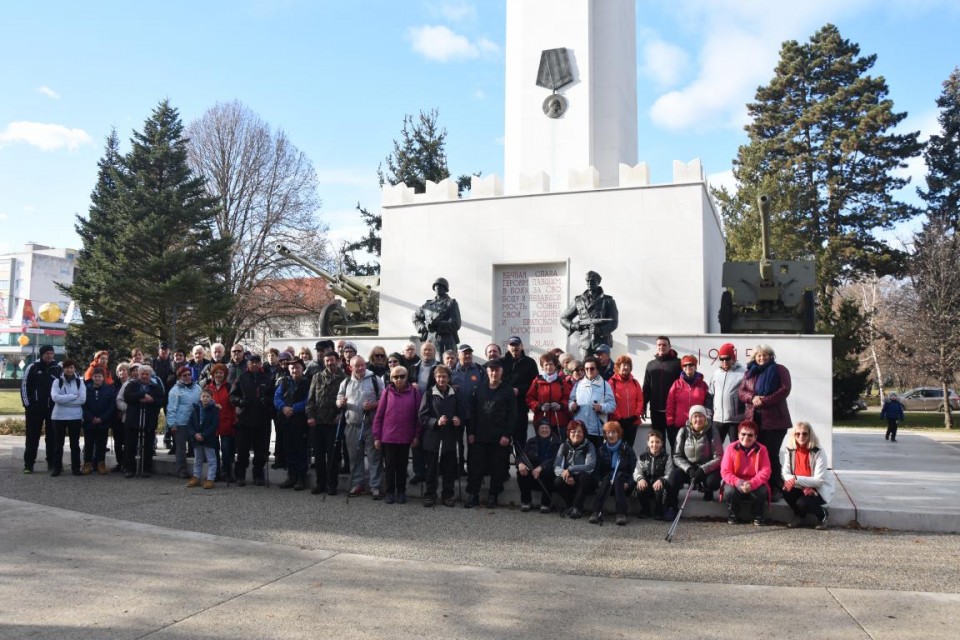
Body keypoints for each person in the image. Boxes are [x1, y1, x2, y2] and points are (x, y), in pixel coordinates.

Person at [739, 344, 792, 501]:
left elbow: (784, 389)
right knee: (758, 455)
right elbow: (741, 392)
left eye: (765, 355)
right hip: (754, 420)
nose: (761, 358)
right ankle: (761, 485)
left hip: (775, 421)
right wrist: (752, 398)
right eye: (758, 355)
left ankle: (776, 487)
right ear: (754, 357)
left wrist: (764, 400)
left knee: (771, 454)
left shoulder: (780, 370)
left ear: (771, 356)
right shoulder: (750, 373)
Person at [465, 358, 515, 509]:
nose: (494, 373)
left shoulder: (508, 391)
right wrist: (471, 432)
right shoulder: (479, 389)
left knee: (497, 467)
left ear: (501, 372)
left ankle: (493, 495)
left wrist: (507, 434)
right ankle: (473, 495)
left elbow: (512, 415)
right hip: (480, 435)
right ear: (487, 372)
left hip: (499, 438)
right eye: (491, 370)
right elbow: (473, 412)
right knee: (476, 467)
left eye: (496, 370)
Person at [373, 364, 423, 504]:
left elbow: (418, 416)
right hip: (389, 437)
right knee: (389, 466)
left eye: (402, 376)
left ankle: (401, 492)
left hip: (406, 437)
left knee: (402, 466)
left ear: (407, 377)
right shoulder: (386, 392)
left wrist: (416, 435)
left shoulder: (414, 392)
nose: (399, 379)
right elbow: (379, 416)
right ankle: (389, 492)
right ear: (391, 378)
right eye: (395, 377)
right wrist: (377, 436)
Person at [337, 355, 383, 498]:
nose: (361, 368)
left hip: (370, 425)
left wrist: (373, 405)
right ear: (351, 367)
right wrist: (340, 403)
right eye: (357, 366)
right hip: (351, 426)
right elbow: (338, 399)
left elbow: (384, 399)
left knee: (374, 457)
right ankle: (358, 484)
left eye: (363, 365)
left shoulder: (375, 380)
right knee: (354, 457)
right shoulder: (345, 382)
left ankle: (375, 486)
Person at [417, 365, 460, 507]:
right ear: (435, 378)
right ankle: (430, 494)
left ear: (449, 378)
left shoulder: (455, 393)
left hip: (449, 437)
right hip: (433, 438)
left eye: (444, 376)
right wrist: (436, 422)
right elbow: (422, 416)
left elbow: (461, 412)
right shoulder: (429, 394)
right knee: (431, 469)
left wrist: (458, 419)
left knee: (449, 469)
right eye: (439, 376)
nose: (442, 379)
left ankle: (448, 495)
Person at [230, 354, 275, 487]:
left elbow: (272, 397)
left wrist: (267, 401)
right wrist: (240, 401)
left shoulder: (267, 378)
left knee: (260, 451)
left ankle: (258, 475)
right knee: (243, 450)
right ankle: (240, 475)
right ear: (248, 364)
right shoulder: (241, 378)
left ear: (261, 363)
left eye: (257, 362)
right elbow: (232, 396)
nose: (254, 364)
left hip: (261, 420)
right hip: (244, 419)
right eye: (252, 362)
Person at [305, 351, 345, 495]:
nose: (329, 363)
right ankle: (320, 483)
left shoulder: (344, 379)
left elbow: (348, 401)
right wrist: (310, 416)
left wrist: (342, 415)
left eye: (332, 360)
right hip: (318, 422)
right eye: (327, 361)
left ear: (337, 360)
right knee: (319, 457)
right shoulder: (317, 377)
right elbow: (310, 399)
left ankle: (332, 485)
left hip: (334, 423)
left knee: (333, 456)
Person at [782, 421, 833, 529]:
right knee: (785, 490)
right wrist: (794, 481)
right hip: (799, 485)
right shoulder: (790, 450)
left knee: (803, 502)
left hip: (817, 489)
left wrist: (796, 479)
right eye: (798, 434)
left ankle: (823, 516)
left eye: (805, 433)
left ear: (810, 435)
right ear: (794, 435)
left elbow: (819, 480)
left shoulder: (818, 452)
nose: (801, 436)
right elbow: (785, 472)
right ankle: (800, 516)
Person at [720, 420, 772, 526]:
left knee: (762, 491)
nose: (746, 437)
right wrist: (739, 482)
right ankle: (733, 514)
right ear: (738, 434)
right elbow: (725, 471)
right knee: (730, 491)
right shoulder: (730, 448)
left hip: (754, 482)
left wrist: (752, 483)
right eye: (743, 434)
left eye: (750, 435)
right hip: (735, 481)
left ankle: (758, 515)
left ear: (755, 437)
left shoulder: (762, 449)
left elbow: (766, 471)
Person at [559, 270, 619, 360]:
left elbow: (614, 322)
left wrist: (600, 330)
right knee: (587, 368)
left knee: (603, 368)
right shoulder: (578, 300)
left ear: (598, 282)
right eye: (587, 281)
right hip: (585, 343)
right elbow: (564, 318)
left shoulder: (608, 300)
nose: (589, 283)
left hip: (602, 342)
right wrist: (573, 326)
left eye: (592, 280)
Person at [21, 345, 62, 474]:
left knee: (52, 437)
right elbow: (24, 387)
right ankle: (28, 464)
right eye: (47, 353)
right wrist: (28, 405)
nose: (50, 356)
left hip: (52, 408)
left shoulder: (58, 368)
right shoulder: (33, 367)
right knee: (32, 437)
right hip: (35, 408)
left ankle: (52, 463)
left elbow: (63, 385)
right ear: (42, 354)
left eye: (51, 353)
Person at [669, 405, 723, 502]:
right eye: (695, 416)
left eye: (701, 416)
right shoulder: (683, 431)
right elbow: (677, 456)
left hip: (706, 468)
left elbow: (719, 456)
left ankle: (708, 490)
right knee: (673, 478)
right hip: (689, 468)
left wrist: (703, 469)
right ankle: (671, 504)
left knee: (713, 482)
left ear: (705, 418)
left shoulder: (712, 431)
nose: (698, 419)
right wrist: (688, 469)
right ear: (690, 419)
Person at [589, 421, 637, 526]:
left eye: (614, 432)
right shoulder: (601, 449)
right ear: (605, 434)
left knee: (618, 478)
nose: (611, 435)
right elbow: (596, 469)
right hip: (606, 481)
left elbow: (634, 470)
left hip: (622, 481)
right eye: (608, 432)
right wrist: (598, 481)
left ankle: (621, 514)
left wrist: (629, 483)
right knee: (607, 478)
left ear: (618, 433)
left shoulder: (627, 450)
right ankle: (596, 512)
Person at [274, 359, 312, 491]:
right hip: (285, 420)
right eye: (292, 368)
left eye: (297, 367)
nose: (294, 370)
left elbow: (308, 400)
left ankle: (301, 478)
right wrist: (284, 408)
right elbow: (277, 398)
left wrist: (293, 408)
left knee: (301, 449)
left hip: (300, 421)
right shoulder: (283, 381)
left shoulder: (308, 383)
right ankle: (291, 476)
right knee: (288, 448)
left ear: (302, 368)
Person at [122, 364, 165, 478]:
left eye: (147, 374)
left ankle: (146, 468)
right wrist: (142, 395)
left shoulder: (156, 387)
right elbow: (127, 396)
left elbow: (161, 400)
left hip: (149, 420)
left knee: (148, 446)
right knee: (130, 445)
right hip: (133, 419)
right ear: (138, 375)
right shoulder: (132, 385)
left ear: (150, 375)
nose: (145, 376)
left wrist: (151, 399)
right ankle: (129, 469)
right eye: (142, 374)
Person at [568, 355, 616, 450]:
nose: (589, 371)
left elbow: (612, 405)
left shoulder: (605, 385)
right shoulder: (578, 385)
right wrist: (571, 406)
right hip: (580, 430)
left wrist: (601, 407)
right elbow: (570, 401)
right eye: (586, 369)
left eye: (592, 368)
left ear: (597, 370)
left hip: (596, 430)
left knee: (596, 459)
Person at [452, 344, 485, 476]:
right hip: (457, 413)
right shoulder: (451, 370)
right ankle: (459, 468)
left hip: (473, 413)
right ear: (458, 355)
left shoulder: (479, 370)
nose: (467, 356)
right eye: (464, 353)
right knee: (458, 442)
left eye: (469, 353)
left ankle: (473, 469)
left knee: (473, 442)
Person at [665, 355, 710, 453]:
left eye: (690, 364)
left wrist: (707, 422)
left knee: (695, 453)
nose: (687, 367)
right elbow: (670, 405)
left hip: (697, 427)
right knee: (677, 453)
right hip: (679, 426)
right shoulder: (676, 384)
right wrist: (670, 423)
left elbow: (708, 405)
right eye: (685, 365)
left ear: (695, 366)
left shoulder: (703, 385)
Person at [553, 420, 596, 519]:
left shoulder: (589, 446)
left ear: (584, 433)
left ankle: (577, 507)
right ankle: (570, 506)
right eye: (573, 431)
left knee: (584, 477)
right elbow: (556, 466)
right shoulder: (563, 446)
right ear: (569, 433)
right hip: (568, 477)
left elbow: (590, 466)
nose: (576, 434)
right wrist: (565, 473)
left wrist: (570, 470)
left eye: (579, 431)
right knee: (558, 481)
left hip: (584, 479)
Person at [50, 359, 87, 476]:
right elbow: (55, 398)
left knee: (74, 444)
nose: (69, 370)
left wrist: (64, 399)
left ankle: (76, 468)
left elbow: (82, 400)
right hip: (59, 417)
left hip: (75, 417)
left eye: (71, 367)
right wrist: (72, 396)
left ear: (74, 369)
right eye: (67, 367)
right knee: (57, 444)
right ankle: (57, 468)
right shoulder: (57, 382)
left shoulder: (80, 383)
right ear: (63, 369)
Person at [642, 336, 681, 445]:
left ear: (670, 347)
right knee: (658, 442)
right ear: (656, 347)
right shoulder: (651, 365)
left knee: (675, 443)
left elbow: (682, 387)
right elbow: (646, 387)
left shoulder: (678, 363)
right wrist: (643, 406)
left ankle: (675, 463)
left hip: (672, 411)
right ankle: (661, 462)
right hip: (656, 411)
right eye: (659, 345)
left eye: (664, 345)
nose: (661, 347)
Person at [633, 430, 678, 520]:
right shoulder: (642, 457)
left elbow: (669, 472)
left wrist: (662, 480)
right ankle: (645, 510)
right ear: (648, 443)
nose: (654, 445)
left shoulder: (667, 457)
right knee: (640, 487)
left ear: (661, 443)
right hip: (646, 483)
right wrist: (640, 478)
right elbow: (637, 470)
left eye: (657, 442)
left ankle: (659, 511)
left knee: (659, 487)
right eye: (652, 442)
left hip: (659, 483)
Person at [516, 419, 560, 513]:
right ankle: (526, 501)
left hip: (548, 472)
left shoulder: (557, 443)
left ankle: (546, 503)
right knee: (521, 472)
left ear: (550, 429)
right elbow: (522, 456)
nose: (544, 430)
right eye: (542, 428)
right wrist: (520, 464)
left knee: (549, 473)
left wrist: (541, 467)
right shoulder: (531, 441)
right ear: (538, 430)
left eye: (547, 428)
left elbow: (555, 460)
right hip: (534, 473)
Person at [525, 352, 572, 439]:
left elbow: (568, 398)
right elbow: (529, 398)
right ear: (542, 366)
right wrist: (539, 406)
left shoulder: (562, 382)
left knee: (558, 448)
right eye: (546, 365)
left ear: (555, 366)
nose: (549, 367)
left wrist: (560, 405)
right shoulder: (537, 382)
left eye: (551, 364)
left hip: (559, 422)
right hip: (541, 422)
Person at [166, 365, 201, 479]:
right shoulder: (174, 391)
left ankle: (198, 471)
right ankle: (181, 470)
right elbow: (171, 408)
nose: (187, 377)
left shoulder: (198, 388)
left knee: (197, 447)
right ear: (179, 377)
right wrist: (172, 424)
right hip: (180, 423)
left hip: (194, 423)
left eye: (189, 374)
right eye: (184, 375)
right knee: (180, 448)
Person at [502, 336, 538, 445]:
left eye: (517, 345)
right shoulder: (501, 362)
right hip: (504, 409)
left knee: (520, 440)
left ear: (522, 346)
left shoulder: (530, 362)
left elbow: (534, 384)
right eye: (512, 345)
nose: (514, 348)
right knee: (504, 441)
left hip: (521, 408)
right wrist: (509, 390)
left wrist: (520, 390)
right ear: (508, 347)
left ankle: (520, 462)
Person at [413, 277, 462, 355]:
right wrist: (423, 327)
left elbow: (456, 324)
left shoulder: (451, 303)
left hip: (446, 340)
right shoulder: (427, 305)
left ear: (445, 289)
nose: (438, 287)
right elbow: (415, 317)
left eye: (441, 286)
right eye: (436, 285)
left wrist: (437, 325)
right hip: (430, 340)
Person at [709, 343, 746, 444]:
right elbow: (711, 394)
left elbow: (748, 394)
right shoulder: (716, 373)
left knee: (736, 449)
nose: (724, 361)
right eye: (721, 359)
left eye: (727, 358)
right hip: (718, 419)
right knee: (715, 449)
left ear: (733, 358)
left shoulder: (743, 372)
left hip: (736, 420)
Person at [82, 367, 115, 475]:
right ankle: (87, 464)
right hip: (89, 422)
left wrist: (102, 418)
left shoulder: (109, 390)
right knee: (89, 444)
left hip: (103, 422)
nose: (97, 378)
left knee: (101, 444)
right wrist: (91, 418)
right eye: (95, 376)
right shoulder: (86, 389)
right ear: (92, 377)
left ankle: (101, 463)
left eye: (99, 377)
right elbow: (83, 405)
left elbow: (111, 406)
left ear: (103, 378)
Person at [207, 363, 237, 483]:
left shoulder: (229, 387)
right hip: (212, 424)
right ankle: (215, 473)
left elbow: (233, 406)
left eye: (221, 373)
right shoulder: (208, 388)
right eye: (216, 373)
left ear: (225, 374)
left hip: (227, 422)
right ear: (213, 374)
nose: (218, 375)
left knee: (226, 451)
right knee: (213, 451)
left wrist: (234, 421)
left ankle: (227, 473)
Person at [186, 389, 219, 490]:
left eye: (207, 396)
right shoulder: (195, 409)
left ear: (211, 398)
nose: (205, 398)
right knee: (198, 460)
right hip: (196, 439)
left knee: (211, 459)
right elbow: (190, 424)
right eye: (203, 396)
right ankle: (196, 477)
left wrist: (203, 435)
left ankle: (210, 479)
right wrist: (194, 434)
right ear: (200, 397)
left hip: (208, 439)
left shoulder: (214, 409)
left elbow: (214, 425)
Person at [608, 354, 644, 448]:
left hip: (633, 422)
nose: (626, 367)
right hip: (618, 423)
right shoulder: (612, 382)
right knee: (617, 447)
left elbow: (640, 400)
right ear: (618, 367)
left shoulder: (635, 383)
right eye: (624, 365)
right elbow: (611, 401)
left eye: (628, 365)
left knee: (629, 448)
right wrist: (619, 418)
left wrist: (635, 416)